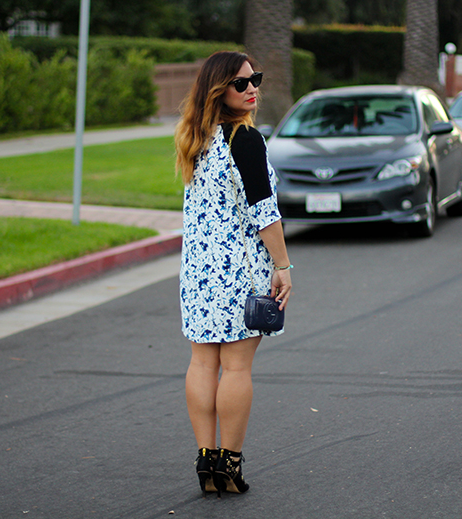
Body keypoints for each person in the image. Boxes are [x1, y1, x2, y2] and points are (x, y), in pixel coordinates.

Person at [174, 51, 292, 497]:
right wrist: (283, 268)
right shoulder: (245, 140)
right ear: (218, 89)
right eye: (242, 83)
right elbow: (265, 213)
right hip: (239, 274)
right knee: (236, 368)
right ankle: (229, 464)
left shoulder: (195, 141)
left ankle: (206, 461)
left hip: (197, 274)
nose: (252, 88)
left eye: (255, 79)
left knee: (203, 363)